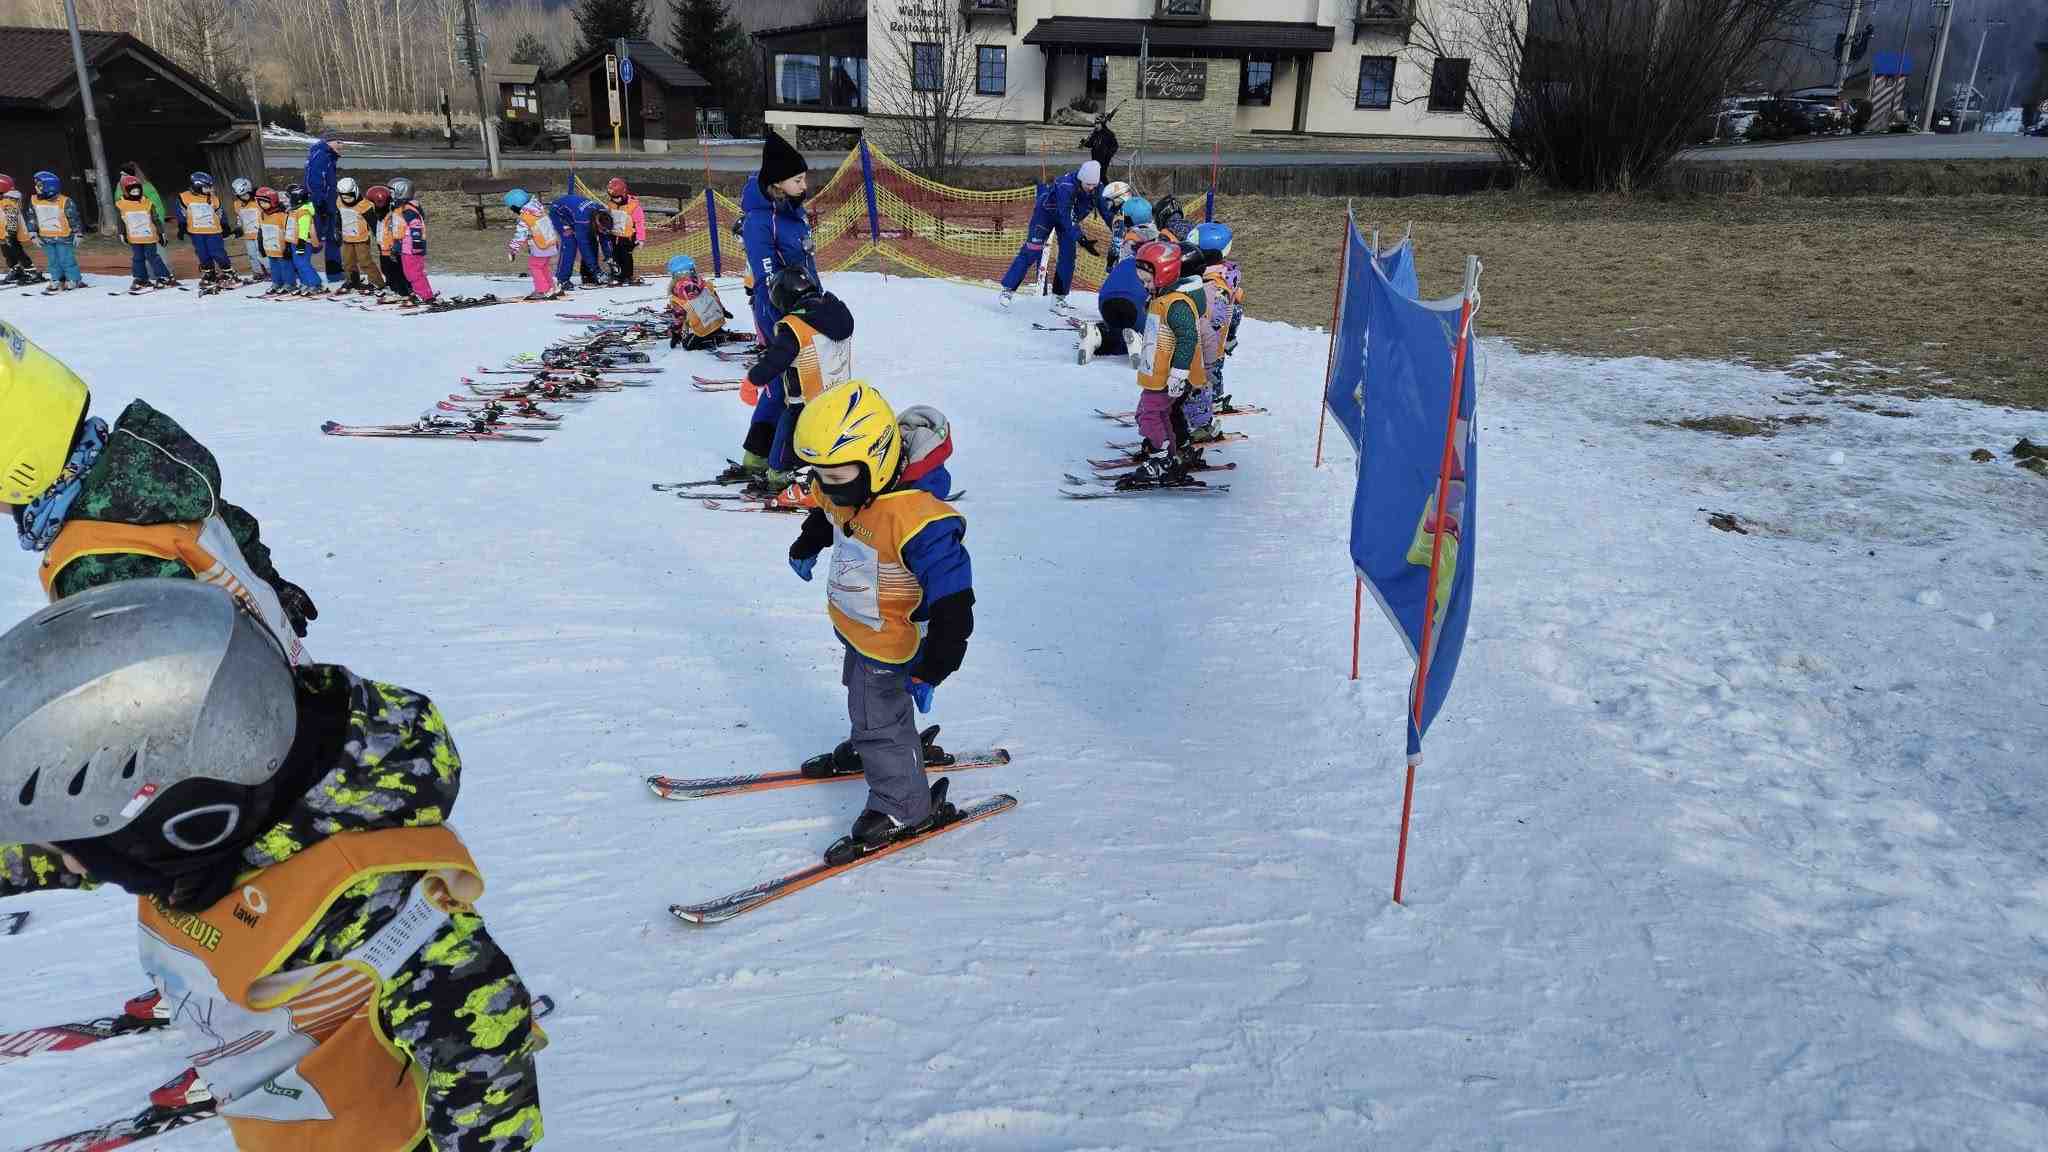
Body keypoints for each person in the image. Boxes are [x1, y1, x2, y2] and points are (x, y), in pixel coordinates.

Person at [0, 579, 545, 1152]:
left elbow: (486, 1050)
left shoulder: (379, 914)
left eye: (81, 845)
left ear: (194, 822)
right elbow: (59, 852)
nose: (69, 858)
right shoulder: (215, 826)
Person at [1, 323, 318, 654]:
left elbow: (154, 676)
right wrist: (270, 583)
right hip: (275, 659)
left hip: (245, 679)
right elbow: (225, 525)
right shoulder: (134, 468)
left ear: (18, 469)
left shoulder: (93, 564)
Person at [785, 381, 975, 865]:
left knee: (876, 707)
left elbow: (954, 597)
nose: (826, 485)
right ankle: (881, 745)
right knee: (863, 693)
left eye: (836, 475)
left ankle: (904, 805)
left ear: (876, 459)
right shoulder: (851, 486)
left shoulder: (917, 520)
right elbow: (827, 512)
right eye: (820, 474)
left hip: (895, 641)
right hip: (862, 629)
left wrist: (936, 664)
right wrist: (808, 542)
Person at [739, 131, 820, 489]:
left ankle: (763, 452)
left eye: (804, 178)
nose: (805, 185)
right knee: (787, 385)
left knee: (787, 382)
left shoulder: (792, 212)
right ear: (777, 183)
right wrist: (785, 318)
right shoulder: (760, 220)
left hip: (804, 305)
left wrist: (817, 300)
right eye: (797, 180)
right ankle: (771, 461)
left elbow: (805, 262)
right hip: (778, 310)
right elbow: (767, 275)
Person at [743, 264, 854, 498]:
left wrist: (753, 380)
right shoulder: (838, 314)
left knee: (787, 431)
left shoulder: (794, 327)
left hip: (806, 402)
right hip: (838, 395)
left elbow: (777, 360)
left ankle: (779, 473)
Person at [1128, 238, 1207, 483]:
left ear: (1164, 275)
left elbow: (1188, 337)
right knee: (1157, 415)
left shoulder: (1177, 304)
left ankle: (1161, 458)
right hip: (1157, 373)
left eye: (1148, 281)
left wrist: (1179, 373)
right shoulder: (1161, 298)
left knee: (1148, 415)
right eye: (1142, 281)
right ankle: (1170, 457)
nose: (1145, 285)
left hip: (1169, 375)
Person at [996, 159, 1103, 314]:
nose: (1091, 188)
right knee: (1032, 251)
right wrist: (1080, 237)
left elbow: (1107, 211)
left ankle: (1058, 299)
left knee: (1068, 256)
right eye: (1088, 184)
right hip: (1046, 215)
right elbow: (1066, 214)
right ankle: (1008, 289)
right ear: (1081, 179)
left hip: (1068, 222)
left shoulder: (1098, 188)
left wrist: (1119, 231)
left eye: (1094, 184)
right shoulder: (1066, 186)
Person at [665, 254, 748, 351]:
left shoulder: (677, 293)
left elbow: (679, 315)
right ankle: (719, 333)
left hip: (702, 326)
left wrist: (676, 333)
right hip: (716, 320)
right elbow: (715, 297)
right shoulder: (703, 283)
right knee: (707, 327)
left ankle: (714, 340)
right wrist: (723, 310)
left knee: (687, 345)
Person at [114, 174, 176, 291]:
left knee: (152, 256)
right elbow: (120, 221)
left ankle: (164, 276)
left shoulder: (147, 202)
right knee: (137, 258)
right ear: (126, 191)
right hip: (134, 237)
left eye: (138, 189)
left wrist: (161, 233)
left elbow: (155, 219)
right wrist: (122, 233)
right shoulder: (121, 205)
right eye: (132, 190)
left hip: (149, 237)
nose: (136, 192)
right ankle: (141, 278)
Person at [27, 172, 85, 293]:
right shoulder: (35, 201)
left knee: (66, 259)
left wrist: (78, 233)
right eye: (36, 185)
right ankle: (56, 279)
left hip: (64, 237)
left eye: (39, 185)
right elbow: (32, 217)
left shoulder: (64, 201)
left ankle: (73, 279)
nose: (36, 188)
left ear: (50, 187)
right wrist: (32, 233)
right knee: (52, 260)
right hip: (46, 238)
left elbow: (73, 218)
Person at [504, 188, 561, 301]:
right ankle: (551, 287)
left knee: (535, 266)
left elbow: (520, 236)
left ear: (515, 207)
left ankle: (542, 290)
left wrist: (513, 249)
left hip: (540, 246)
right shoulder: (539, 209)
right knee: (543, 266)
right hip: (551, 242)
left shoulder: (525, 218)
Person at [177, 172, 233, 285]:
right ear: (197, 186)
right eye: (207, 187)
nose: (210, 190)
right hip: (196, 232)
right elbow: (181, 212)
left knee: (217, 252)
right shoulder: (184, 197)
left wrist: (224, 225)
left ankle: (228, 272)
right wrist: (182, 226)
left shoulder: (213, 198)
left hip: (213, 232)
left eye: (210, 187)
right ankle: (209, 273)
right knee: (202, 253)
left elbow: (220, 212)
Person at [304, 133, 345, 282]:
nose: (342, 145)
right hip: (320, 204)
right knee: (312, 238)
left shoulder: (328, 156)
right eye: (339, 141)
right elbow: (313, 180)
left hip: (329, 204)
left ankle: (335, 274)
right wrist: (319, 203)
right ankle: (299, 271)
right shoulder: (321, 156)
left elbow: (328, 182)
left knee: (333, 238)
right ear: (329, 142)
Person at [365, 185, 414, 303]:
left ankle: (403, 292)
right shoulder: (379, 215)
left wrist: (395, 247)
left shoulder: (391, 214)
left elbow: (397, 231)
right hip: (384, 248)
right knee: (387, 270)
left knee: (396, 272)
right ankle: (395, 288)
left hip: (392, 249)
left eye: (372, 203)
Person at [387, 178, 433, 302]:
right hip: (405, 247)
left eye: (391, 192)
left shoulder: (408, 210)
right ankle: (416, 293)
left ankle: (427, 296)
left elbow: (416, 226)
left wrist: (416, 244)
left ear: (401, 192)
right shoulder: (399, 208)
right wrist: (395, 248)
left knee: (414, 274)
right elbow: (400, 231)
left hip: (412, 248)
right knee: (409, 273)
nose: (389, 195)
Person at [0, 176, 42, 286]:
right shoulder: (3, 199)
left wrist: (10, 233)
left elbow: (11, 217)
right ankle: (16, 270)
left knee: (17, 251)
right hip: (2, 231)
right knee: (6, 253)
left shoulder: (9, 200)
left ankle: (31, 272)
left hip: (10, 231)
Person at [254, 187, 295, 297]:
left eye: (265, 202)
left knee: (285, 267)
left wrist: (288, 246)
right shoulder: (262, 215)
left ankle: (290, 283)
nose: (262, 205)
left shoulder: (282, 215)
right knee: (274, 267)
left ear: (273, 201)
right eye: (260, 202)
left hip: (281, 248)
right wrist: (261, 245)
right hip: (270, 248)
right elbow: (261, 231)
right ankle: (277, 283)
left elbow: (288, 230)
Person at [285, 184, 324, 296]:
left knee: (303, 263)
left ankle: (315, 283)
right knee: (298, 264)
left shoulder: (304, 212)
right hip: (294, 241)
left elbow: (305, 230)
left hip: (303, 243)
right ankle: (305, 282)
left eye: (291, 198)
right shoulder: (294, 210)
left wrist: (301, 245)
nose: (289, 201)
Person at [605, 178, 646, 284]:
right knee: (615, 256)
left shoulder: (634, 206)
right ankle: (616, 275)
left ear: (623, 194)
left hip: (628, 237)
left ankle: (627, 275)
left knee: (626, 256)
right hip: (614, 236)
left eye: (617, 198)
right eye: (612, 198)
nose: (615, 200)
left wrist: (641, 238)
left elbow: (640, 223)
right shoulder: (611, 204)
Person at [230, 177, 265, 282]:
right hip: (248, 234)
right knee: (252, 255)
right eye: (241, 196)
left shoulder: (258, 201)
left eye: (245, 195)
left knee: (262, 254)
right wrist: (239, 228)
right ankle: (258, 272)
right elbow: (239, 217)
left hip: (260, 233)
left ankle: (271, 271)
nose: (243, 197)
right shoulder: (237, 204)